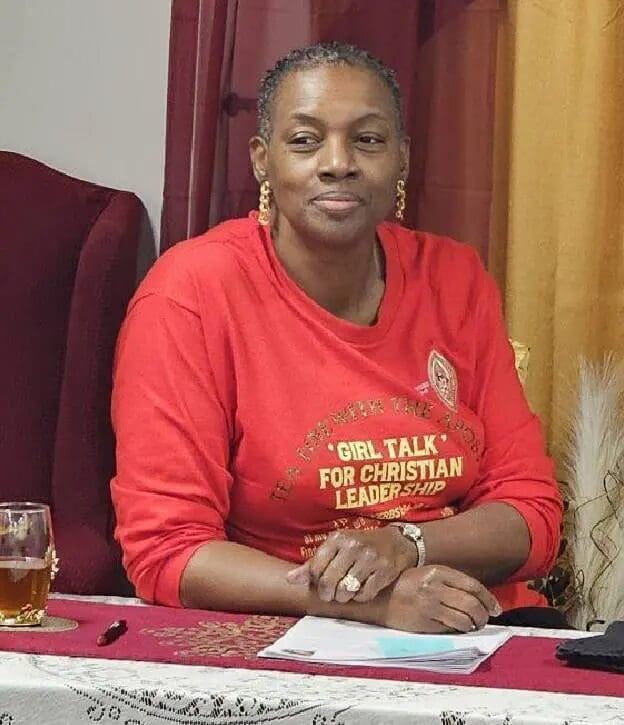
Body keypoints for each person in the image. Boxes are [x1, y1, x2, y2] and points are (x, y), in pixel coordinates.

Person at [111, 42, 563, 634]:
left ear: (401, 157)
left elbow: (533, 516)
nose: (337, 162)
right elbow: (167, 551)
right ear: (261, 160)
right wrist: (365, 602)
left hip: (475, 625)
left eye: (368, 140)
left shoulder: (455, 279)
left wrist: (406, 545)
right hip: (284, 632)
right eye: (304, 140)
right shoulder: (190, 295)